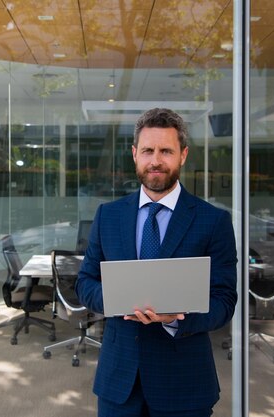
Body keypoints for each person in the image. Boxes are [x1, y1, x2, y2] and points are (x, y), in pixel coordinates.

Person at [76, 108, 238, 417]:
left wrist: (176, 317)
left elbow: (224, 300)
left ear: (183, 155)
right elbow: (84, 282)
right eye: (148, 150)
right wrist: (120, 299)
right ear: (135, 154)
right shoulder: (108, 216)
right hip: (118, 383)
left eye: (166, 151)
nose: (156, 160)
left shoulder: (213, 221)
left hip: (184, 384)